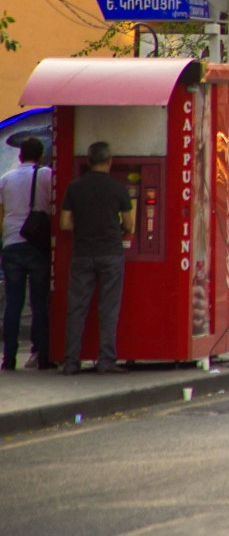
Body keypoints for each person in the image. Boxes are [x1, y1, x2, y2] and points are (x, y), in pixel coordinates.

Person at [60, 140, 134, 375]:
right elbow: (130, 224)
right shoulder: (119, 188)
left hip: (82, 253)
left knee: (77, 309)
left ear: (89, 162)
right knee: (108, 308)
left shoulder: (74, 187)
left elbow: (64, 223)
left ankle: (71, 362)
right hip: (111, 253)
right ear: (109, 162)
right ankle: (106, 360)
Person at [1, 136, 54, 370]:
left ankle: (9, 358)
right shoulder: (47, 175)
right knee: (39, 303)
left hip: (11, 244)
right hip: (37, 245)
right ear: (41, 155)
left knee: (13, 303)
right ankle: (42, 355)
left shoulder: (5, 179)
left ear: (20, 156)